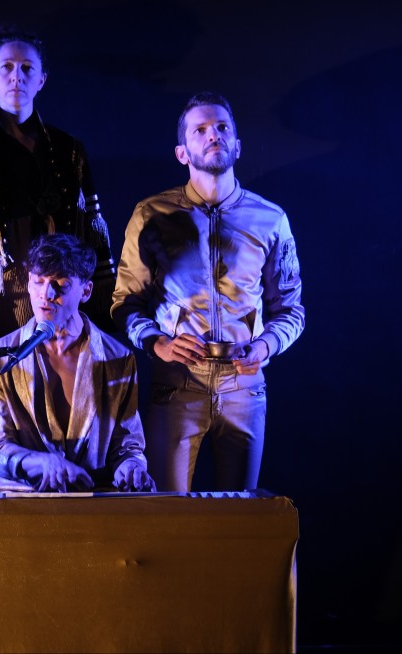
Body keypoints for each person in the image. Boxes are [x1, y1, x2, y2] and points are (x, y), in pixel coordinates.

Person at [111, 91, 305, 493]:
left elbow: (291, 310)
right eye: (199, 130)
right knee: (169, 512)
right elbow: (124, 303)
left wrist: (265, 346)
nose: (213, 135)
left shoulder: (270, 219)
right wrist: (158, 343)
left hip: (244, 388)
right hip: (178, 383)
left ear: (238, 145)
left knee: (238, 515)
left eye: (221, 127)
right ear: (182, 153)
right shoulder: (151, 214)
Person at [0, 25, 117, 355]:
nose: (16, 77)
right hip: (2, 297)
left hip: (64, 294)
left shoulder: (69, 148)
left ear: (42, 79)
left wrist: (105, 300)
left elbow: (94, 227)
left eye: (27, 68)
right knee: (10, 380)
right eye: (6, 67)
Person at [0, 233, 155, 493]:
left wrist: (132, 467)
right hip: (22, 499)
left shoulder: (118, 357)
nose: (46, 294)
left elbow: (127, 447)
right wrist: (42, 463)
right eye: (38, 282)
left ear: (86, 291)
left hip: (93, 500)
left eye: (60, 285)